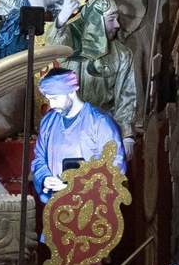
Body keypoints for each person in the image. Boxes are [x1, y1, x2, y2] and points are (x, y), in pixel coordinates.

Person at [52, 0, 138, 148]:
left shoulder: (122, 54)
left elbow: (126, 96)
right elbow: (54, 44)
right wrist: (61, 19)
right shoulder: (72, 46)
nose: (117, 25)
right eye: (111, 19)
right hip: (67, 128)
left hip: (103, 128)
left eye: (117, 19)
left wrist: (127, 134)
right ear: (95, 21)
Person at [31, 69, 125, 204]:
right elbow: (39, 158)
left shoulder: (100, 122)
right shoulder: (48, 122)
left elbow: (115, 166)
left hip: (93, 208)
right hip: (56, 205)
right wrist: (45, 179)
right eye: (49, 99)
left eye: (55, 98)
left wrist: (74, 188)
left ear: (71, 91)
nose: (52, 105)